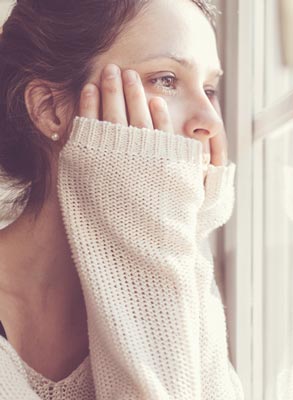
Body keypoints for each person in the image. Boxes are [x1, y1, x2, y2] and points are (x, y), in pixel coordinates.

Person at [0, 0, 242, 397]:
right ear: (50, 110)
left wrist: (180, 241)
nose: (211, 121)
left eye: (209, 88)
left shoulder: (177, 276)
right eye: (166, 79)